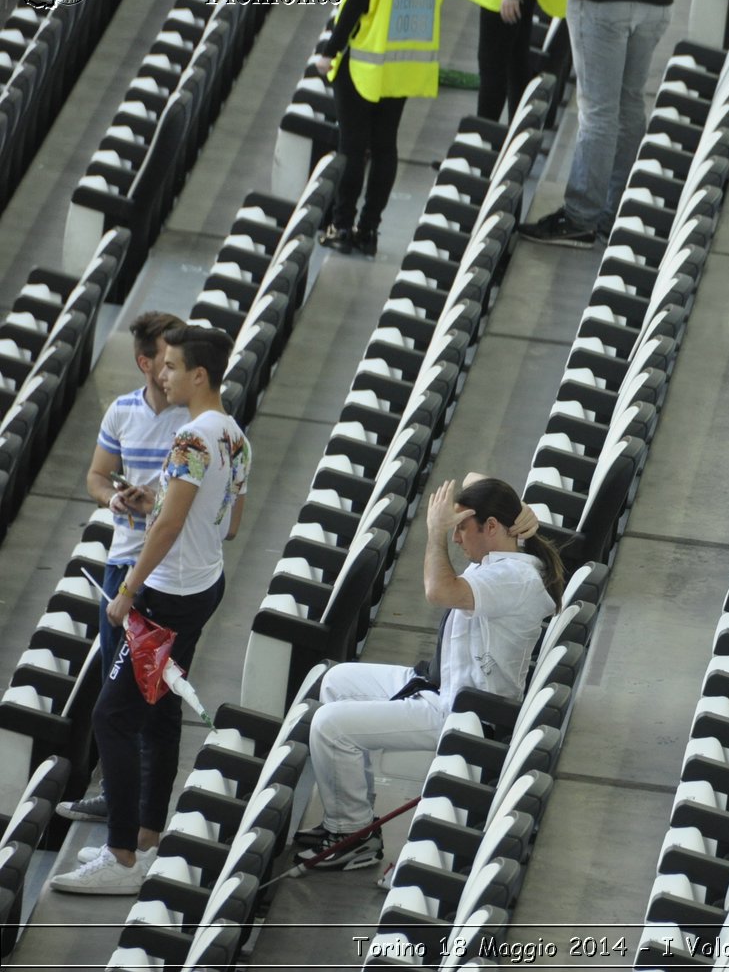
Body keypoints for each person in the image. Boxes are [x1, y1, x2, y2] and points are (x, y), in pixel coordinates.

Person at [52, 326, 251, 895]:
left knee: (112, 716)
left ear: (199, 376)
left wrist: (128, 591)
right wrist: (160, 500)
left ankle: (120, 860)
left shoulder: (191, 437)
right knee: (158, 711)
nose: (161, 376)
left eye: (171, 367)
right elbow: (229, 523)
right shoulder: (234, 436)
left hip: (166, 597)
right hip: (203, 585)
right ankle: (143, 834)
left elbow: (168, 526)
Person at [293, 476, 562, 871]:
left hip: (467, 713)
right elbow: (475, 483)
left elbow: (439, 590)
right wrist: (518, 509)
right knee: (335, 681)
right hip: (443, 684)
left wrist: (434, 534)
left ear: (491, 528)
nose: (455, 540)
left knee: (329, 725)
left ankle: (351, 835)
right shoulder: (507, 559)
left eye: (461, 530)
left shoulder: (513, 578)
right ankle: (355, 815)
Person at [53, 312, 188, 825]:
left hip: (169, 570)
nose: (174, 367)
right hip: (122, 560)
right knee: (118, 684)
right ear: (145, 362)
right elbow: (95, 475)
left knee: (153, 691)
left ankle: (144, 811)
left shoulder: (190, 421)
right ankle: (118, 795)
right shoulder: (122, 412)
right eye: (167, 357)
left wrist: (157, 503)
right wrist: (113, 500)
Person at [518, 0, 703, 248]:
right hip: (654, 2)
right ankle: (614, 209)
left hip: (604, 3)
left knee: (598, 112)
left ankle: (579, 217)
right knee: (629, 106)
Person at [315, 0, 451, 257]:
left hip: (367, 62)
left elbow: (355, 3)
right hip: (405, 63)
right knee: (386, 147)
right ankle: (369, 231)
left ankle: (341, 226)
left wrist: (330, 50)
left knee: (353, 147)